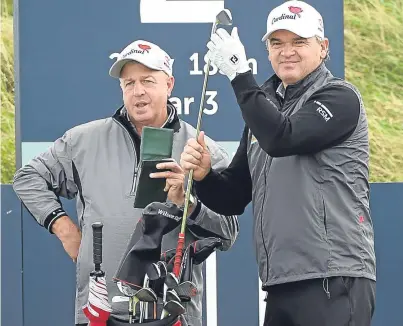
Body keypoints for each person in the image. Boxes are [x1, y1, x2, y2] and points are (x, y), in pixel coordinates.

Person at [12, 39, 239, 326]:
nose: (138, 91)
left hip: (171, 313)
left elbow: (228, 232)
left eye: (148, 80)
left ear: (169, 84)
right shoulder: (83, 140)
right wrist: (63, 227)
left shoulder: (201, 150)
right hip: (99, 311)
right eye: (129, 83)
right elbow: (28, 177)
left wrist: (189, 203)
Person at [180, 1, 376, 325]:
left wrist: (240, 75)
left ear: (323, 47)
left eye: (299, 41)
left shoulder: (340, 98)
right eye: (277, 43)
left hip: (335, 277)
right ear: (268, 51)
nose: (287, 51)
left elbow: (283, 138)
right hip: (280, 283)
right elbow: (233, 196)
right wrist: (203, 176)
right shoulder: (265, 112)